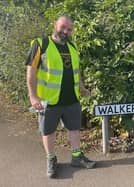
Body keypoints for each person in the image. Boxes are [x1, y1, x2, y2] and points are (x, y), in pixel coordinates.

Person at [26, 15, 96, 178]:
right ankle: (51, 159)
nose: (66, 31)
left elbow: (75, 71)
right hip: (49, 101)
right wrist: (33, 96)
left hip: (71, 98)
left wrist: (82, 88)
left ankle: (77, 157)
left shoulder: (72, 46)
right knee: (48, 131)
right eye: (63, 27)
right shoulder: (41, 44)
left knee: (74, 128)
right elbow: (31, 72)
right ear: (54, 25)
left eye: (69, 29)